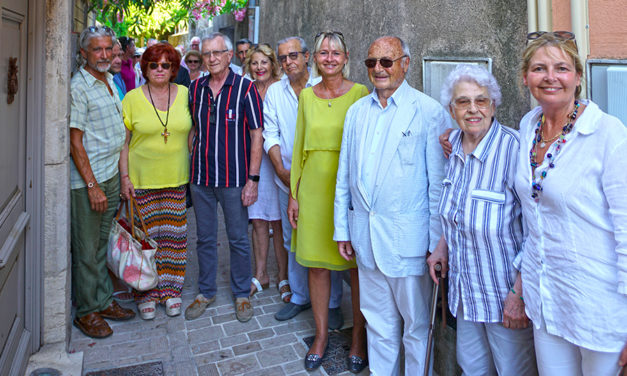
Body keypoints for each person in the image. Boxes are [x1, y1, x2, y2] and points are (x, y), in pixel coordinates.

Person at [334, 36, 450, 375]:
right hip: (366, 239)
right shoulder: (356, 112)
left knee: (416, 329)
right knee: (378, 325)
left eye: (387, 61)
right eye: (372, 63)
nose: (379, 69)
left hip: (410, 244)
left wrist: (436, 245)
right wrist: (344, 228)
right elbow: (345, 175)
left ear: (406, 63)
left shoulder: (428, 112)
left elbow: (438, 186)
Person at [516, 31, 626, 375]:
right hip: (547, 301)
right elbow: (533, 219)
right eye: (539, 68)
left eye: (561, 68)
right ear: (525, 78)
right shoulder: (527, 126)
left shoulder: (608, 134)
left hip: (599, 305)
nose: (550, 77)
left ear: (578, 77)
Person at [426, 64, 537, 375]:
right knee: (472, 368)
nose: (473, 109)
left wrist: (519, 293)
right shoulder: (454, 150)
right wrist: (441, 248)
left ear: (493, 104)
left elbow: (535, 232)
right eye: (463, 102)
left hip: (504, 299)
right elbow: (459, 213)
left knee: (513, 371)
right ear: (451, 108)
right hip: (466, 295)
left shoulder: (515, 151)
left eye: (481, 100)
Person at [288, 31, 369, 371]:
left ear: (346, 56)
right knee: (318, 266)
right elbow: (299, 145)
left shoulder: (361, 94)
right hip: (314, 191)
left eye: (336, 52)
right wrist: (294, 194)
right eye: (323, 52)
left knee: (356, 269)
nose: (330, 57)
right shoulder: (307, 97)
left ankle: (358, 340)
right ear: (315, 58)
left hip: (349, 192)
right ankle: (321, 336)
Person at [264, 36, 345, 323]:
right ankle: (299, 296)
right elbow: (270, 134)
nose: (288, 62)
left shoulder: (325, 87)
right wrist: (282, 172)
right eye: (282, 58)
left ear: (307, 57)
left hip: (325, 183)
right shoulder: (275, 92)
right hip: (286, 181)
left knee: (328, 239)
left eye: (293, 56)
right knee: (292, 239)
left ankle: (332, 303)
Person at [184, 32, 263, 323]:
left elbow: (257, 135)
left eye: (217, 53)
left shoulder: (245, 88)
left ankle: (242, 294)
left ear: (230, 56)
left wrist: (252, 179)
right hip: (201, 179)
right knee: (204, 238)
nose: (212, 59)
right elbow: (194, 129)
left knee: (239, 239)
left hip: (234, 179)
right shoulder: (195, 88)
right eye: (207, 54)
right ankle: (206, 292)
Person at [70, 26, 135, 339]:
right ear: (83, 54)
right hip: (89, 182)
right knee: (87, 248)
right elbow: (75, 141)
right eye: (97, 49)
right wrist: (93, 186)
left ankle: (102, 300)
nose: (105, 55)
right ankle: (86, 312)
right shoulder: (78, 87)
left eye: (109, 48)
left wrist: (121, 177)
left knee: (100, 245)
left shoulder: (109, 80)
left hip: (109, 175)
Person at [119, 43, 192, 320]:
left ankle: (172, 290)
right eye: (154, 65)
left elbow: (192, 132)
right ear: (145, 68)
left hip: (176, 178)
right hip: (141, 180)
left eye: (166, 65)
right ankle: (146, 292)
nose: (160, 70)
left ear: (174, 68)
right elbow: (123, 144)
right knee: (145, 239)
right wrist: (125, 177)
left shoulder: (186, 94)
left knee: (174, 238)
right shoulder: (132, 98)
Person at [242, 44, 288, 301]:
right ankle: (261, 274)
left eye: (264, 62)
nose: (259, 67)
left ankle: (283, 276)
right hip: (254, 164)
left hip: (277, 163)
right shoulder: (246, 90)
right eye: (255, 63)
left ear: (273, 64)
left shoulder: (281, 89)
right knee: (258, 219)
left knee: (279, 222)